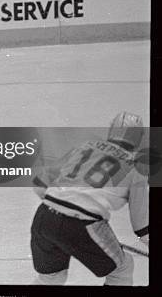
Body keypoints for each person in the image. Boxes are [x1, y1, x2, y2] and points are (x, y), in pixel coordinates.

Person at [30, 112, 149, 285]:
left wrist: (59, 212)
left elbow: (40, 183)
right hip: (82, 225)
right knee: (122, 269)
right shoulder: (136, 168)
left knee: (51, 278)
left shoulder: (85, 146)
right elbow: (142, 226)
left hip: (44, 217)